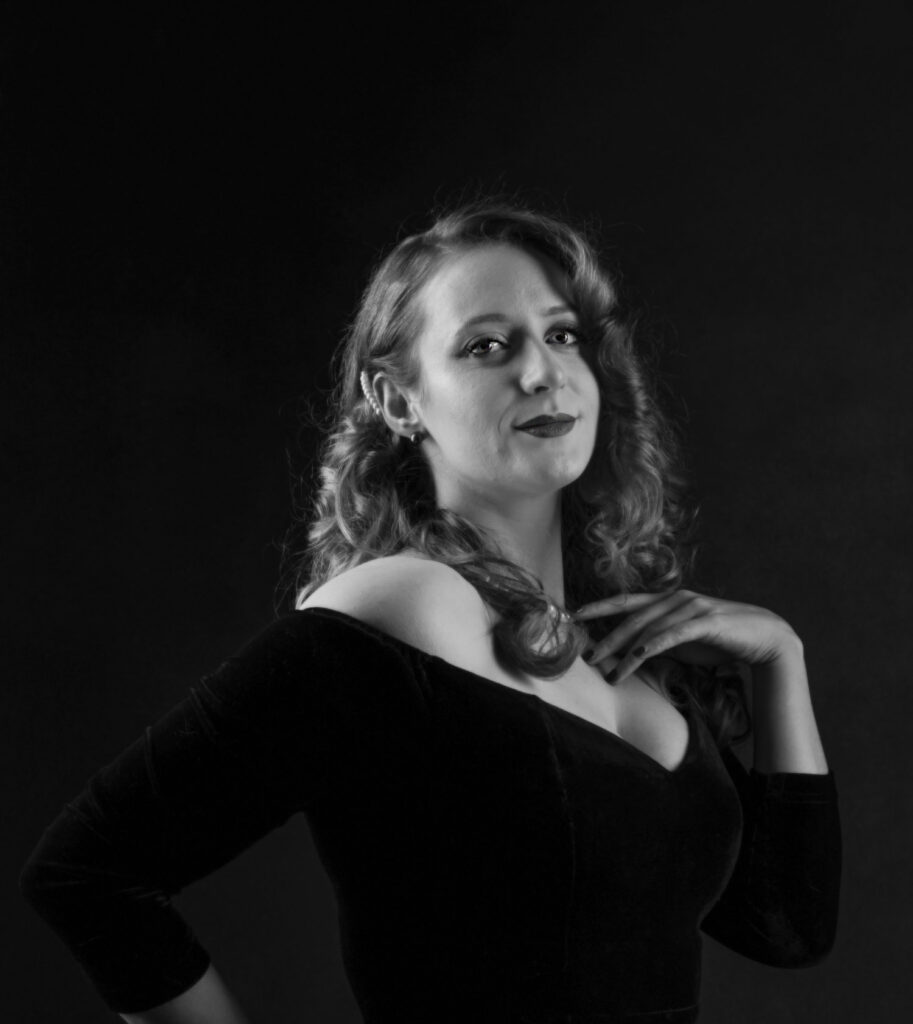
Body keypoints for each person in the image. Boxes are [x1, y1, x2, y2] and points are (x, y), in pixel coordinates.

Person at [19, 199, 841, 1024]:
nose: (541, 372)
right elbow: (88, 873)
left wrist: (780, 661)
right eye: (487, 347)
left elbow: (786, 927)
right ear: (398, 399)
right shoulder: (407, 603)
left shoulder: (620, 644)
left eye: (562, 336)